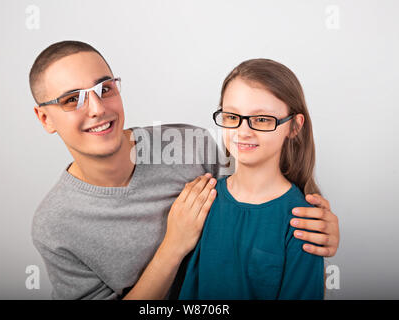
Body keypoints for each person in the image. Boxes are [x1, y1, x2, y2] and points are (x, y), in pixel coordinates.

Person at [29, 40, 340, 299]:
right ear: (44, 119)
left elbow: (257, 186)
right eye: (72, 100)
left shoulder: (188, 145)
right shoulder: (54, 226)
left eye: (105, 88)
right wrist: (173, 245)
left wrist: (317, 221)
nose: (97, 108)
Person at [179, 59, 327, 300]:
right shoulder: (203, 199)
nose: (243, 131)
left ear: (294, 127)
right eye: (231, 116)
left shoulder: (303, 221)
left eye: (261, 119)